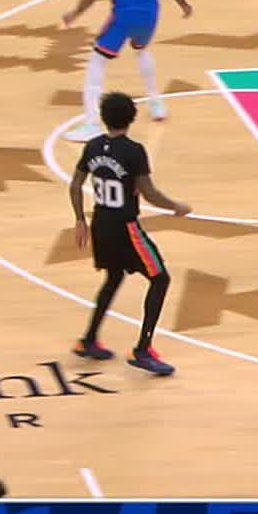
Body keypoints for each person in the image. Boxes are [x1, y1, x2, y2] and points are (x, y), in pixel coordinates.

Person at [69, 91, 190, 376]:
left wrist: (80, 219)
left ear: (103, 117)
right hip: (125, 228)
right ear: (132, 118)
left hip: (100, 224)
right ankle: (142, 349)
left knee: (113, 277)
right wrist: (176, 206)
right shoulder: (134, 151)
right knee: (160, 278)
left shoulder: (93, 146)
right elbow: (148, 192)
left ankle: (88, 340)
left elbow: (75, 185)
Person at [62, 0, 192, 140]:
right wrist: (184, 4)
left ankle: (92, 124)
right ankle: (156, 103)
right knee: (141, 50)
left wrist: (74, 13)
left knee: (97, 62)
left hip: (123, 16)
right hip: (150, 14)